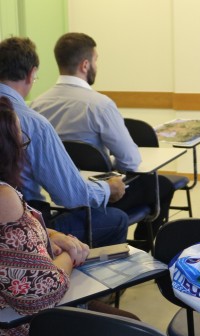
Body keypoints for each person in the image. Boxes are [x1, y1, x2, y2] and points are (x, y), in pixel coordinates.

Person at [0, 96, 138, 336]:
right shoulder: (3, 197)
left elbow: (11, 239)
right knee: (132, 334)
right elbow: (43, 293)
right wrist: (71, 257)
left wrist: (51, 235)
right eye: (20, 143)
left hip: (12, 320)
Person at [31, 32, 174, 242]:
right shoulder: (99, 104)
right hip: (99, 197)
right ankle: (143, 249)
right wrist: (111, 165)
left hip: (54, 198)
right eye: (96, 60)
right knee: (162, 185)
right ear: (85, 65)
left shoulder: (36, 105)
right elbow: (130, 161)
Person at [0, 36, 128, 247]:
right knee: (117, 219)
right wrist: (108, 189)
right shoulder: (33, 123)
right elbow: (70, 195)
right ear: (32, 74)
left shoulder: (38, 105)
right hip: (26, 225)